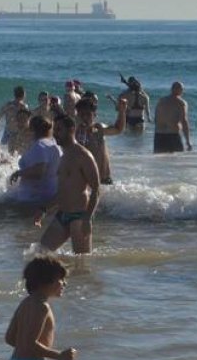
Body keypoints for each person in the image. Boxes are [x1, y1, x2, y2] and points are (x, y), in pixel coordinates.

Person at [4, 256, 76, 360]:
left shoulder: (25, 302)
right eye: (60, 279)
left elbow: (10, 338)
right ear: (46, 281)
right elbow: (31, 344)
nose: (64, 283)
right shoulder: (42, 307)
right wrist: (60, 356)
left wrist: (23, 348)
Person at [37, 116, 102, 254]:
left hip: (79, 216)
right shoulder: (63, 156)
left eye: (59, 129)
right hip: (63, 214)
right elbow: (63, 192)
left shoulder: (83, 155)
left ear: (71, 130)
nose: (55, 133)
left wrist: (87, 218)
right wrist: (44, 209)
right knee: (41, 252)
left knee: (82, 263)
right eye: (54, 129)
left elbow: (96, 189)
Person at [9, 116, 62, 207]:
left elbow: (39, 172)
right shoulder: (53, 143)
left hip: (34, 199)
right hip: (49, 194)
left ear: (32, 130)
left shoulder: (40, 145)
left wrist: (18, 173)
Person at [75, 97, 127, 185]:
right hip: (84, 181)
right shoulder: (75, 132)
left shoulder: (99, 129)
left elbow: (118, 129)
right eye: (82, 114)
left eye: (88, 114)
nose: (85, 117)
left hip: (104, 180)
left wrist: (122, 111)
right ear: (77, 115)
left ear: (95, 115)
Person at [153, 82, 192, 153]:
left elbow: (156, 119)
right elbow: (184, 121)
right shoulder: (181, 103)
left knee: (159, 161)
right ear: (180, 90)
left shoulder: (161, 100)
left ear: (171, 89)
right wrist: (188, 141)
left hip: (159, 135)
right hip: (173, 135)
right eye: (182, 89)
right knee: (177, 161)